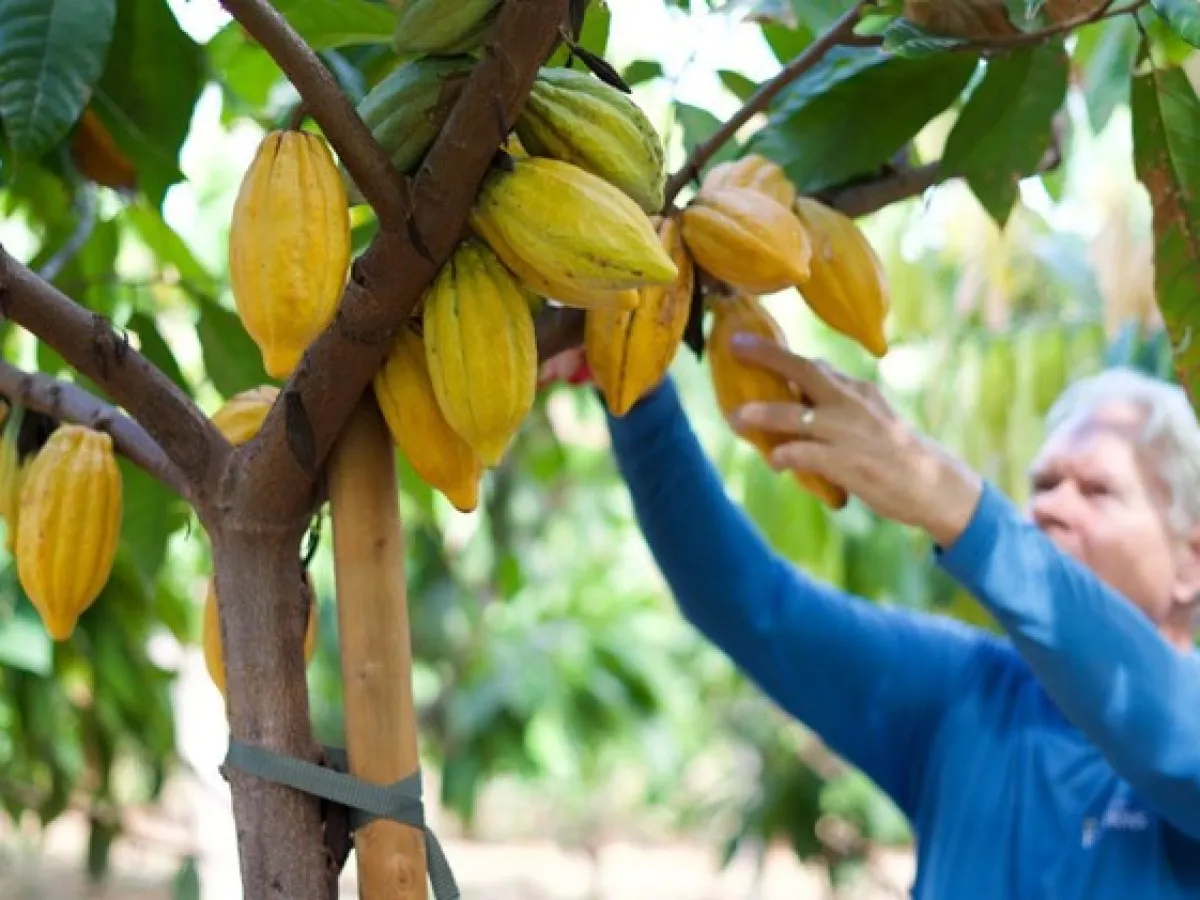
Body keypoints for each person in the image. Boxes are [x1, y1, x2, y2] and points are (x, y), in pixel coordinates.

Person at [538, 340, 1200, 898]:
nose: (1051, 508)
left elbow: (1165, 730)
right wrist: (636, 392)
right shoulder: (969, 693)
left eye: (1097, 490)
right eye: (1043, 485)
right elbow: (752, 605)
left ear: (1190, 564)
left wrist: (959, 506)